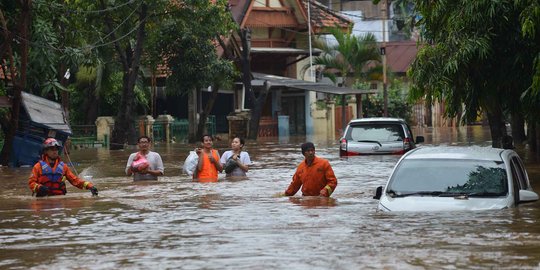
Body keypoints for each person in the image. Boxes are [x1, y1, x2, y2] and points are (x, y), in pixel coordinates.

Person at [28, 137, 98, 197]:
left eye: (56, 149)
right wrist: (39, 188)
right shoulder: (38, 166)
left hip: (59, 199)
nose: (55, 151)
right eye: (52, 149)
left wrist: (90, 186)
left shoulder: (63, 167)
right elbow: (31, 183)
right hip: (43, 199)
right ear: (46, 151)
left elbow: (76, 181)